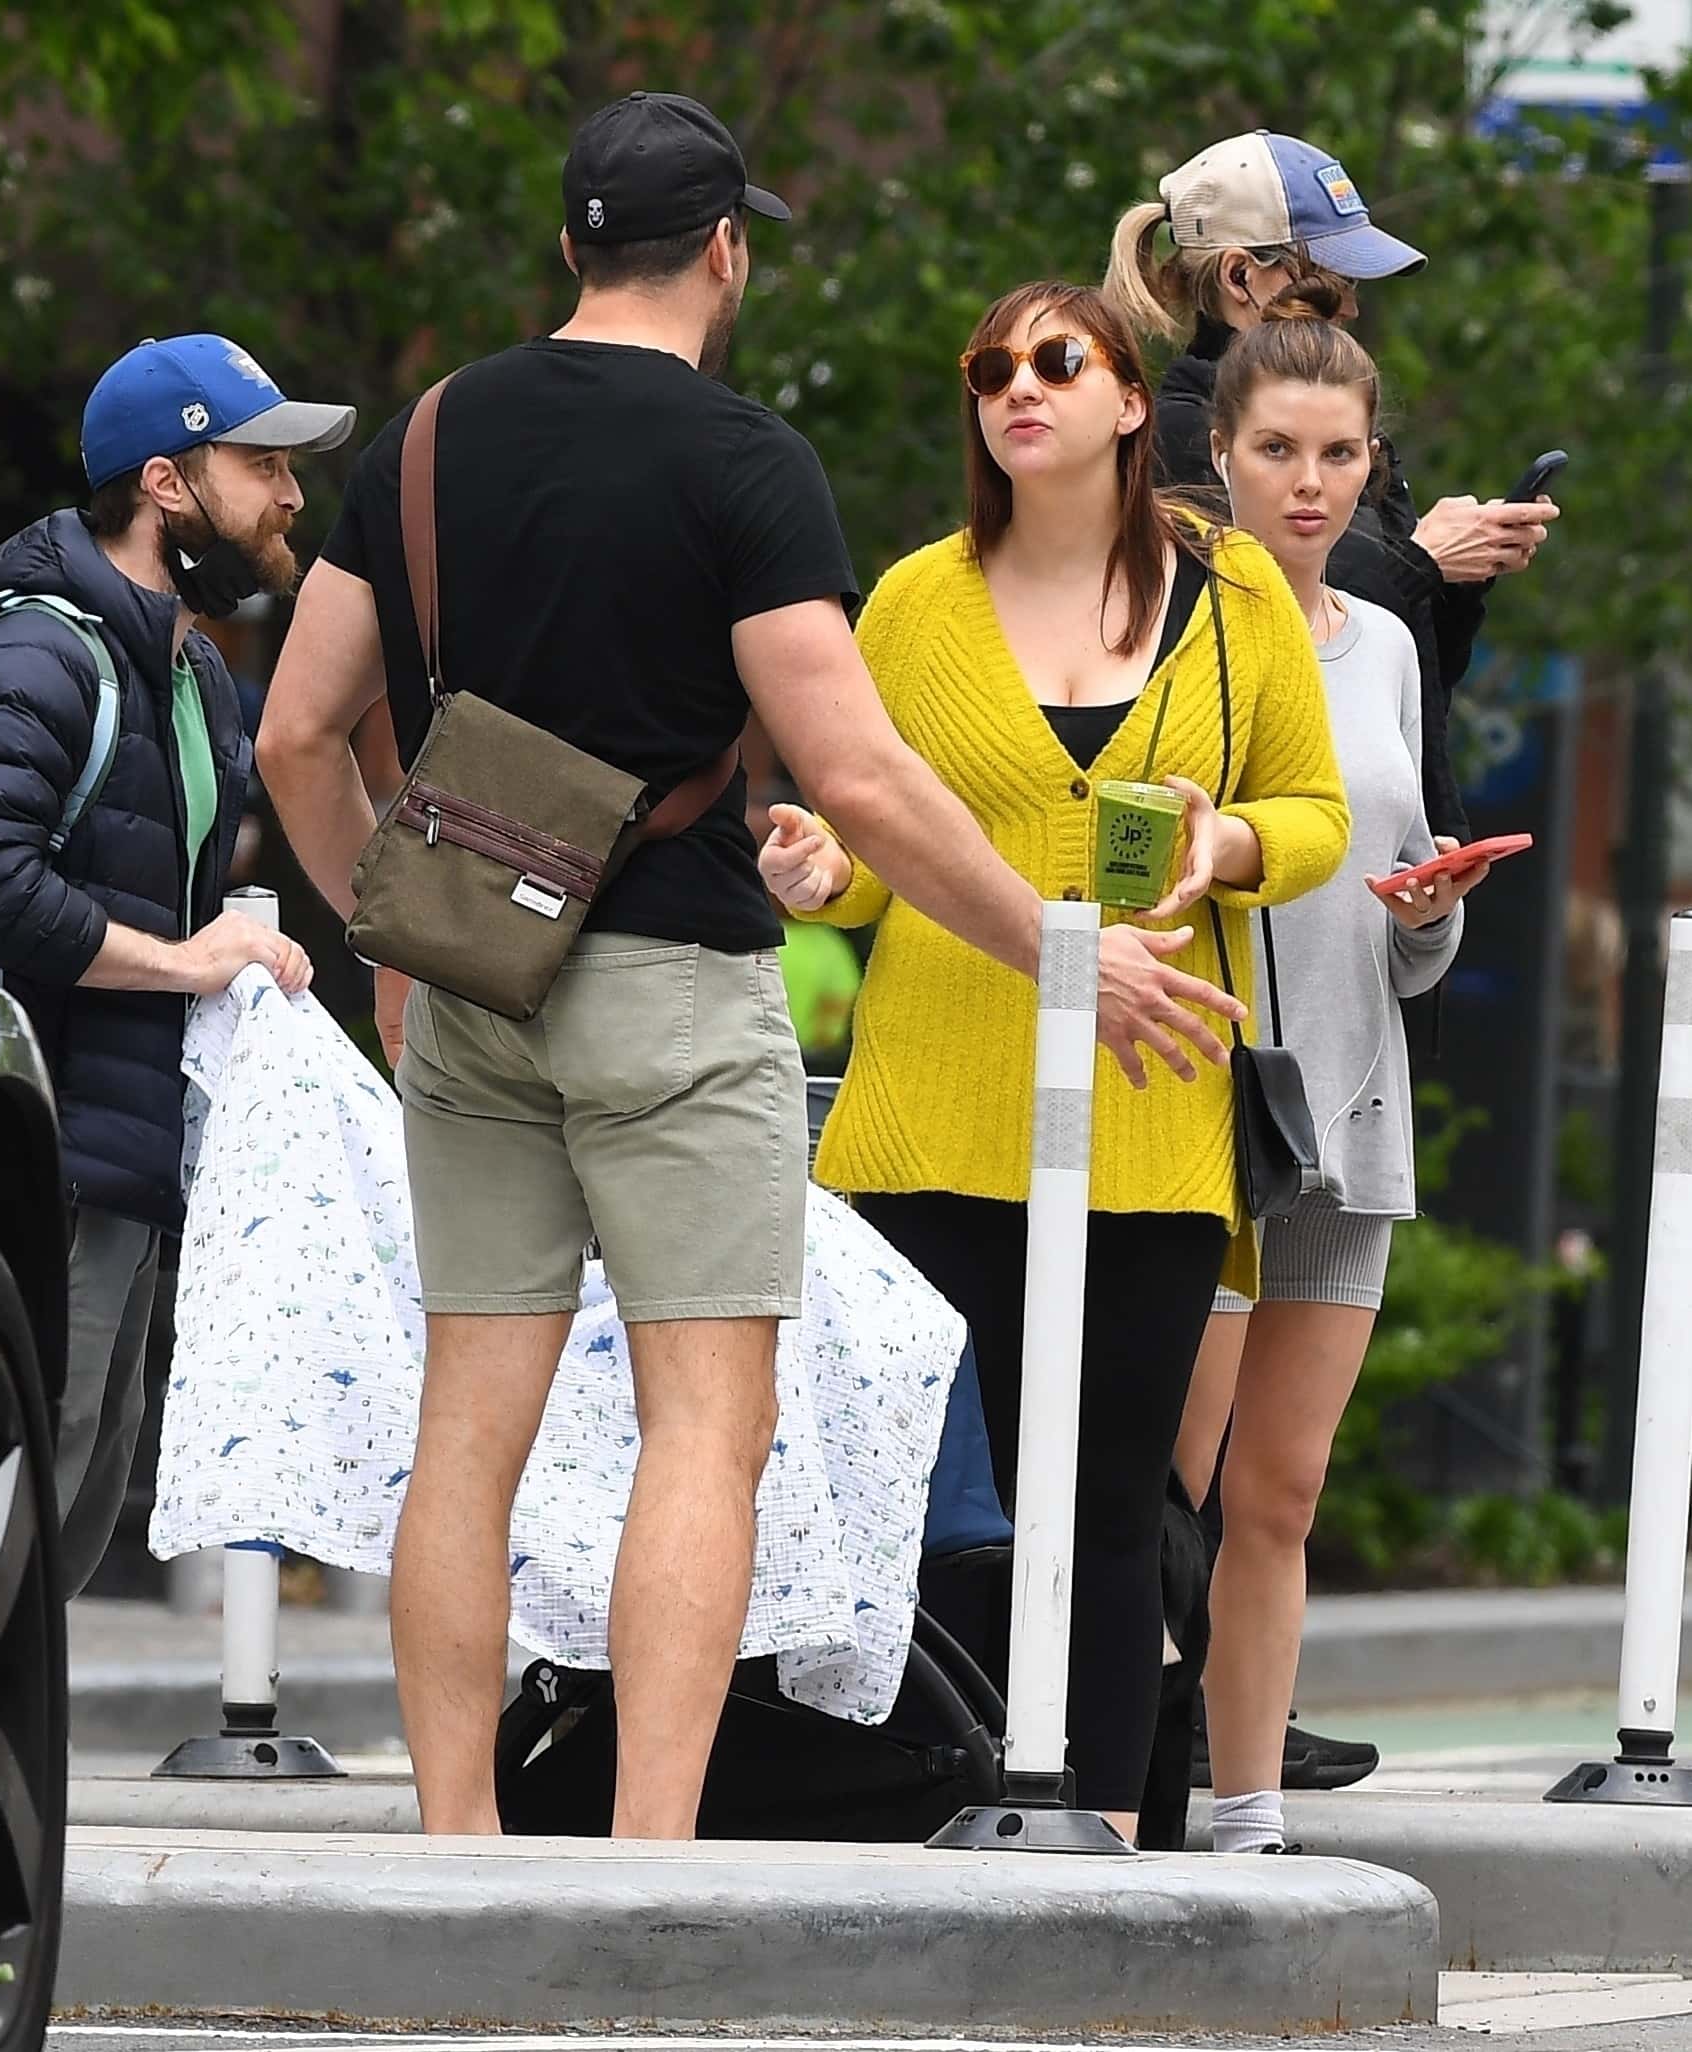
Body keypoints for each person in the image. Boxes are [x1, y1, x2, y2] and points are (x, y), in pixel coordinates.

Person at [256, 95, 1244, 1842]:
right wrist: (1057, 948)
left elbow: (296, 737)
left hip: (471, 984)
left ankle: (455, 1852)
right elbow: (851, 774)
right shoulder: (740, 459)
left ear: (570, 247)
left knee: (468, 1425)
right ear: (724, 251)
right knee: (699, 1423)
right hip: (672, 982)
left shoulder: (415, 440)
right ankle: (642, 1857)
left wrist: (389, 942)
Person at [759, 281, 1350, 1842]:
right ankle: (906, 1805)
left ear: (1132, 399)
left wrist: (1225, 842)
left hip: (1150, 1117)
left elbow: (1317, 817)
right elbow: (876, 842)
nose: (1019, 389)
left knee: (1099, 1506)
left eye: (1055, 362)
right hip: (926, 1118)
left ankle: (1092, 1827)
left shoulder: (1229, 592)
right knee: (916, 1506)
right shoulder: (911, 601)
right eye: (991, 369)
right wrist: (823, 867)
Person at [0, 334, 350, 1596]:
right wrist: (183, 961)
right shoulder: (37, 653)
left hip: (128, 1150)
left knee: (77, 1491)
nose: (290, 495)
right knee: (5, 1502)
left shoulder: (190, 665)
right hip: (42, 1151)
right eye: (262, 462)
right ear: (168, 485)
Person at [1170, 285, 1484, 1855]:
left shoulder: (1386, 652)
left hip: (1350, 1107)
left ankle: (1247, 1814)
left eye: (1341, 452)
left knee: (1276, 1499)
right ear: (1217, 451)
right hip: (1200, 1104)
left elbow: (1402, 943)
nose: (1312, 479)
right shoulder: (1173, 627)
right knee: (1166, 1480)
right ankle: (1102, 1775)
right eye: (1279, 447)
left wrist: (1427, 909)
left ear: (1373, 465)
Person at [1104, 128, 1560, 845]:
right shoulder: (1177, 438)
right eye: (1330, 281)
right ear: (1238, 278)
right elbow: (1271, 616)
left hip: (1386, 844)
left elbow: (1413, 661)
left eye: (1340, 453)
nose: (1349, 308)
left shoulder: (1354, 417)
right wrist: (1420, 560)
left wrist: (1462, 574)